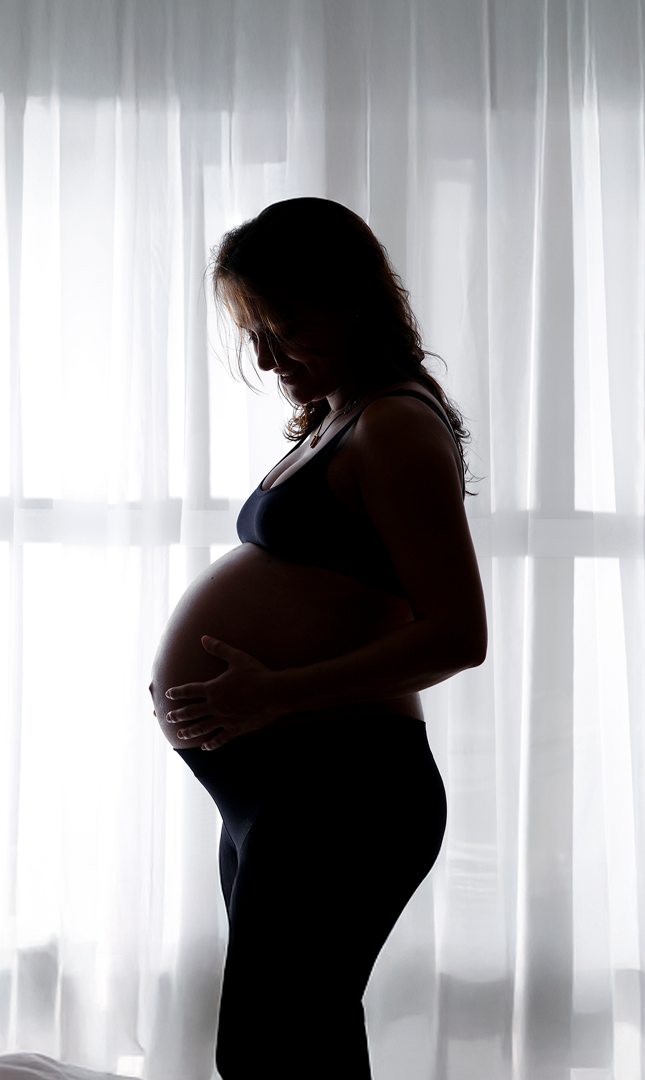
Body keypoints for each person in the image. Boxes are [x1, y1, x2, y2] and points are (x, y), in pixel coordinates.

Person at [147, 197, 487, 1077]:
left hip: (344, 789)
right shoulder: (343, 413)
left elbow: (458, 633)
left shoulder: (397, 424)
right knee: (301, 1043)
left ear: (354, 299)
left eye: (285, 327)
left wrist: (276, 692)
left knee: (271, 1046)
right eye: (254, 333)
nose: (266, 358)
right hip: (282, 789)